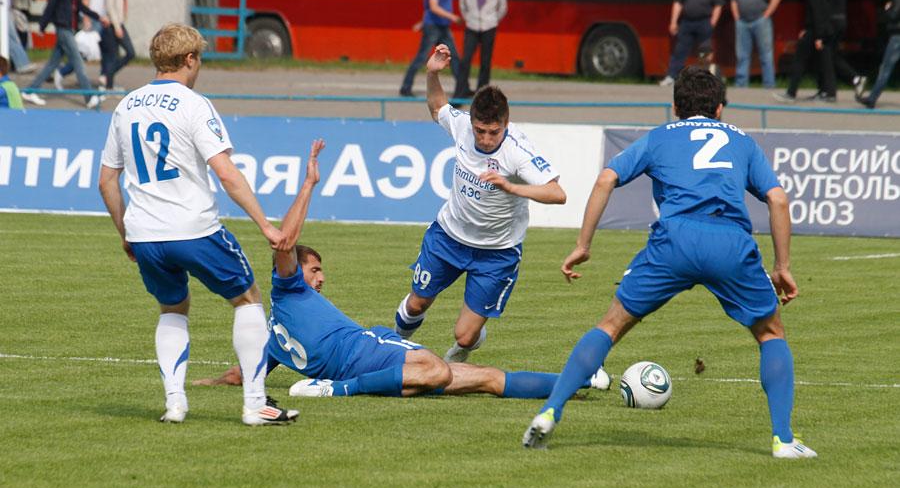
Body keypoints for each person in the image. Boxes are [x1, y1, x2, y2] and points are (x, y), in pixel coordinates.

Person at [523, 66, 816, 460]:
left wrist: (583, 244)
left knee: (610, 326)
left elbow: (606, 179)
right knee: (770, 334)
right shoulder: (743, 141)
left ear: (674, 106)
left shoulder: (659, 137)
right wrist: (782, 265)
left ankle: (549, 411)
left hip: (674, 240)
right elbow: (778, 200)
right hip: (729, 240)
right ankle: (783, 439)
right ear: (721, 108)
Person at [194, 141, 611, 399]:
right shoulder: (289, 293)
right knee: (439, 369)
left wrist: (210, 384)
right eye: (315, 269)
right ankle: (336, 391)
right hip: (366, 355)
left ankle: (579, 382)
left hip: (376, 351)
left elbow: (242, 374)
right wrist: (309, 184)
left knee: (484, 378)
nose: (320, 278)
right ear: (293, 271)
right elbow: (284, 240)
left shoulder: (274, 341)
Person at [98, 23, 297, 426]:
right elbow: (225, 173)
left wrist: (126, 234)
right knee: (247, 299)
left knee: (172, 307)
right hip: (194, 228)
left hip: (146, 234)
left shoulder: (126, 105)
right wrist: (265, 225)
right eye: (199, 58)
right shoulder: (193, 104)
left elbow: (107, 180)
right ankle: (256, 403)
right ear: (189, 60)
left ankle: (175, 403)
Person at [394, 44, 566, 363]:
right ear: (471, 121)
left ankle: (462, 353)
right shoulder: (461, 127)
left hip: (496, 252)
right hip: (448, 237)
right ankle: (390, 350)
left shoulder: (517, 151)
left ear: (506, 124)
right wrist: (432, 73)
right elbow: (437, 107)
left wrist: (512, 188)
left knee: (465, 335)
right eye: (480, 130)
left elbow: (557, 194)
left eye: (493, 132)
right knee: (416, 304)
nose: (485, 139)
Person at [21, 0, 103, 108]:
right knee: (78, 62)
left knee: (52, 64)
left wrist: (96, 16)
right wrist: (42, 25)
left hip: (68, 28)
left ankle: (30, 90)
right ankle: (89, 97)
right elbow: (51, 4)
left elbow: (79, 5)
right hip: (63, 28)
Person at [399, 0, 462, 97]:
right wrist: (452, 17)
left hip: (441, 27)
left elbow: (428, 7)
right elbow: (433, 7)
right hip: (434, 27)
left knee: (454, 57)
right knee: (422, 57)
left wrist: (421, 22)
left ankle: (462, 87)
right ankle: (405, 87)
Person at [55, 0, 114, 89]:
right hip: (94, 18)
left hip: (100, 17)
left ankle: (104, 79)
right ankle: (63, 71)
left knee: (108, 48)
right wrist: (87, 18)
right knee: (85, 52)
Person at [659, 0, 725, 86]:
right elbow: (678, 3)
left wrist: (713, 21)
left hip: (705, 22)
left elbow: (719, 4)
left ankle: (704, 79)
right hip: (687, 22)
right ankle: (672, 76)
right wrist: (673, 21)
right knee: (679, 50)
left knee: (705, 52)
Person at [774, 0, 835, 102]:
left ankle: (791, 93)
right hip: (816, 32)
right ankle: (825, 91)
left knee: (799, 61)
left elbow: (819, 17)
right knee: (819, 62)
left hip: (814, 33)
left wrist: (818, 37)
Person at [453, 0, 507, 99]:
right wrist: (469, 18)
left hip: (489, 26)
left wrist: (493, 20)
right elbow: (462, 4)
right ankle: (460, 92)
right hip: (472, 26)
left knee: (485, 61)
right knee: (466, 60)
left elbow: (502, 8)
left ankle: (482, 95)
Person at [815, 0, 866, 100]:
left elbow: (827, 3)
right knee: (832, 55)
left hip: (832, 22)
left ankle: (830, 92)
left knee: (827, 55)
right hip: (841, 20)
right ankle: (855, 79)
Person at [730, 0, 781, 88]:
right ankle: (741, 84)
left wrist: (766, 14)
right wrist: (736, 15)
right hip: (742, 22)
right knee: (742, 54)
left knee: (766, 54)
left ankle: (769, 84)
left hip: (760, 20)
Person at [857, 0, 900, 109]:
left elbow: (894, 15)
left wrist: (888, 9)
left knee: (886, 68)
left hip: (897, 37)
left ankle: (872, 98)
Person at [102, 0, 134, 90]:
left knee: (114, 56)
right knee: (129, 52)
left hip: (118, 23)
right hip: (113, 25)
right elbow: (110, 6)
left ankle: (108, 82)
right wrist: (117, 26)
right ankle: (107, 78)